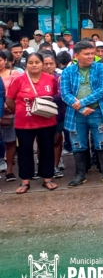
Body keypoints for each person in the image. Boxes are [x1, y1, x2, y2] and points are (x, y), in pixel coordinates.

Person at [61, 40, 103, 186]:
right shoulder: (68, 71)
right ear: (76, 55)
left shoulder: (101, 68)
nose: (91, 56)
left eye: (92, 53)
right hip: (75, 114)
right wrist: (80, 107)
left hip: (98, 111)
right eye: (87, 54)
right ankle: (80, 174)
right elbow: (64, 93)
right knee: (78, 144)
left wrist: (82, 102)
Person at [7, 53, 59, 193]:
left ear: (43, 64)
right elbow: (10, 100)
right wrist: (20, 112)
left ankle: (47, 178)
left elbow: (54, 95)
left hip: (47, 121)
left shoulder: (51, 79)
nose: (34, 65)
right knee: (25, 150)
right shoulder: (18, 80)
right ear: (26, 64)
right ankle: (25, 181)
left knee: (47, 149)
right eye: (31, 62)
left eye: (37, 62)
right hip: (24, 123)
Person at [0, 50, 21, 181]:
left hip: (11, 111)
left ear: (5, 60)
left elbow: (19, 91)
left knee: (10, 140)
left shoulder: (14, 74)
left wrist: (8, 104)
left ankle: (9, 170)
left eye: (0, 60)